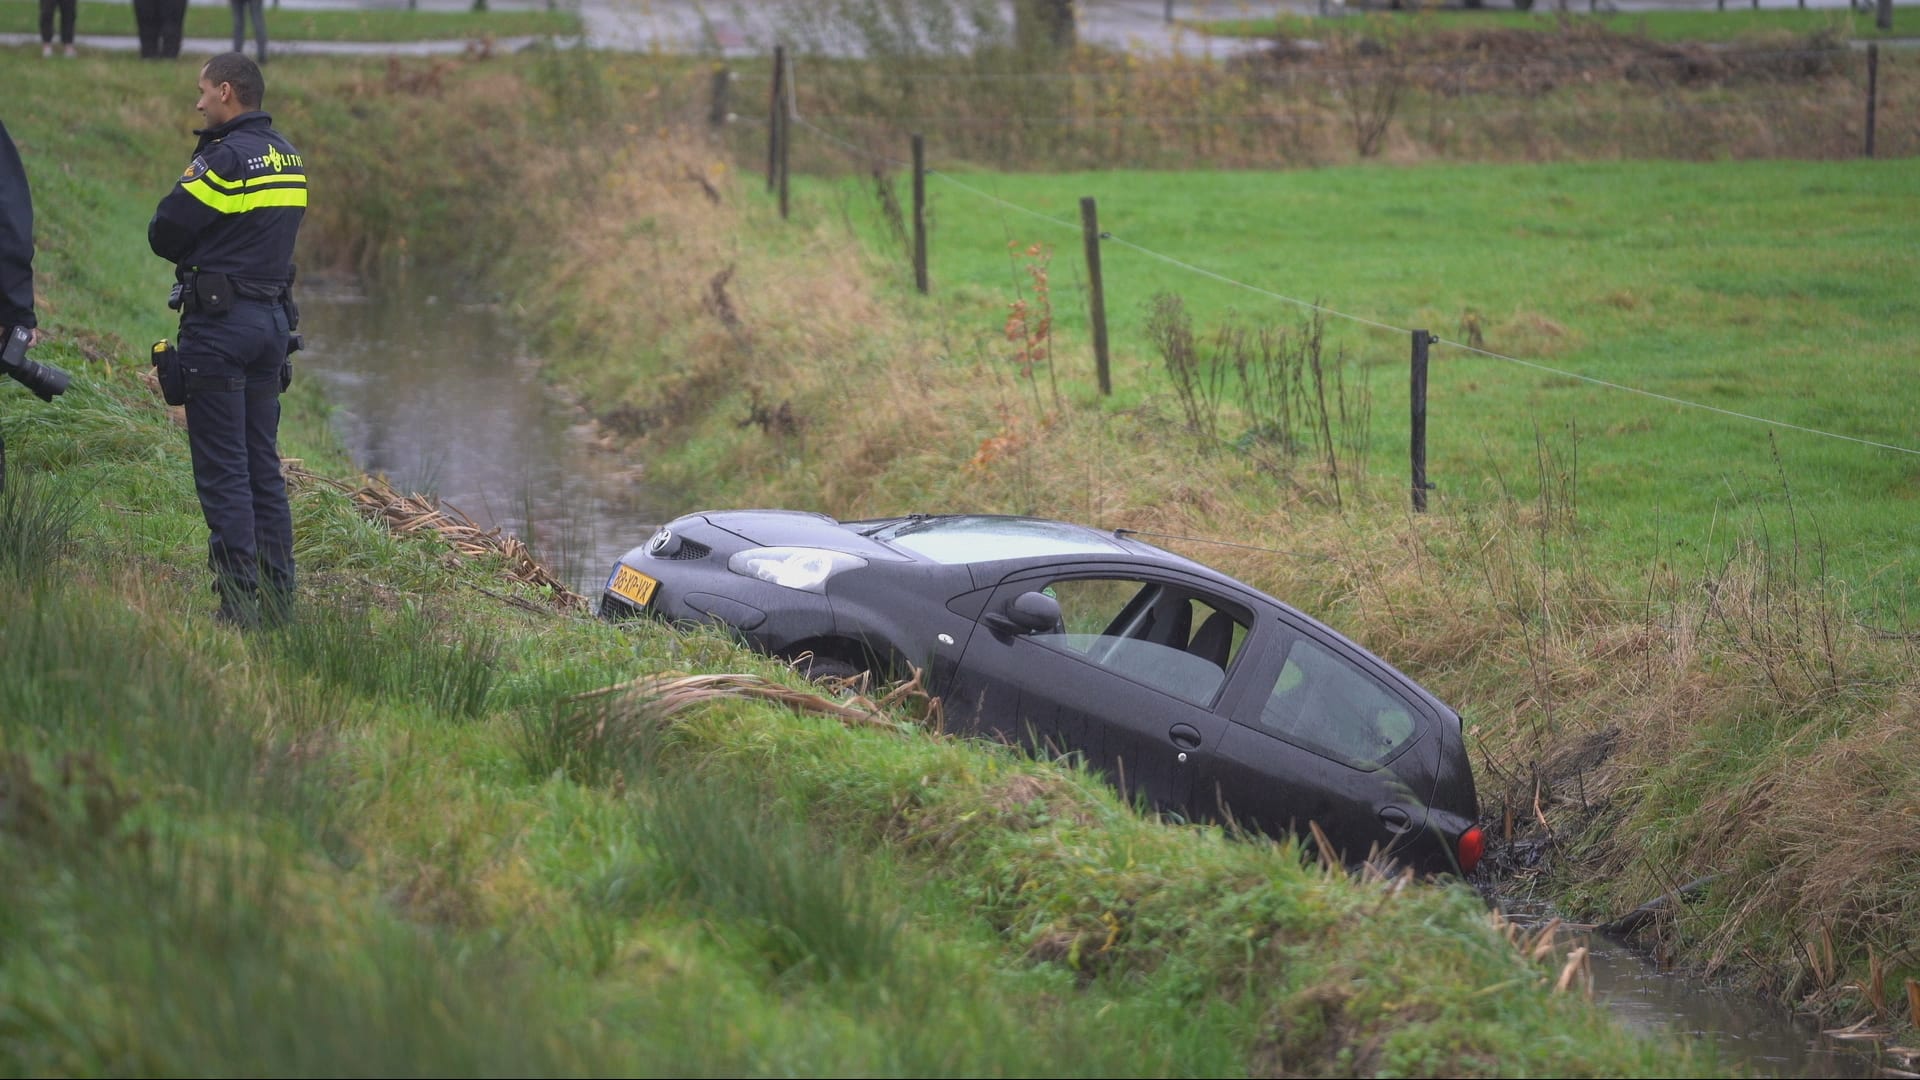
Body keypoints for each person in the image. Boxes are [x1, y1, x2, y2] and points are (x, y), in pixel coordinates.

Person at [149, 52, 307, 628]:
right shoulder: (289, 157)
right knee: (262, 468)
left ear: (226, 92)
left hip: (220, 330)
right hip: (271, 328)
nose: (198, 103)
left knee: (224, 472)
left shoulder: (223, 159)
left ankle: (238, 608)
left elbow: (164, 232)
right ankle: (279, 604)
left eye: (202, 92)